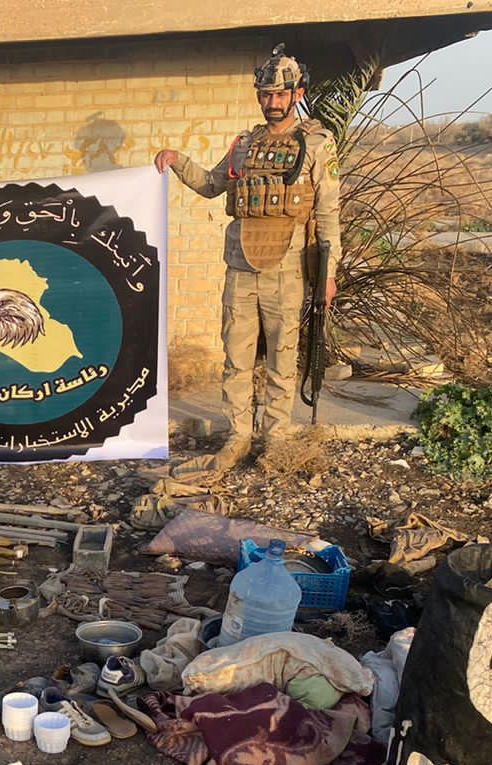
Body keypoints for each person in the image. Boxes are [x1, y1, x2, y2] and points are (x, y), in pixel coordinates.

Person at [153, 45, 341, 474]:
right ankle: (238, 435)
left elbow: (329, 212)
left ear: (297, 94)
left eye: (281, 94)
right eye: (265, 94)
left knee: (281, 358)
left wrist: (328, 274)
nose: (272, 102)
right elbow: (210, 184)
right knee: (236, 358)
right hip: (240, 266)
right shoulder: (244, 145)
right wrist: (177, 160)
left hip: (289, 267)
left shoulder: (316, 144)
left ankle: (275, 438)